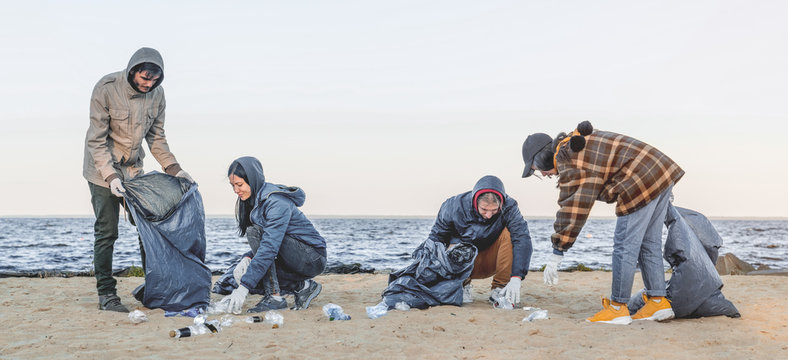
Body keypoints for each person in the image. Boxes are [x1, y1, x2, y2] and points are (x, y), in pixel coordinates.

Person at [521, 121, 683, 324]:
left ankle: (618, 308)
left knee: (624, 246)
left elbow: (573, 208)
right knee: (648, 243)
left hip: (639, 178)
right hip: (659, 170)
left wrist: (557, 251)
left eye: (538, 170)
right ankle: (658, 302)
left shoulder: (570, 158)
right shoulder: (574, 144)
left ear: (542, 157)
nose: (543, 175)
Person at [83, 47, 193, 312]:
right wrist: (110, 177)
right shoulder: (106, 88)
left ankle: (154, 288)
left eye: (154, 81)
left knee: (149, 228)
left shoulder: (158, 95)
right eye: (145, 78)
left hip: (133, 171)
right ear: (133, 71)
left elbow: (156, 137)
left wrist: (175, 169)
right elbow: (96, 140)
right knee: (107, 232)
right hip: (101, 171)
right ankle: (107, 295)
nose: (148, 84)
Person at [222, 156, 327, 314]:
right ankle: (304, 287)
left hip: (312, 257)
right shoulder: (254, 202)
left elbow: (270, 246)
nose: (236, 190)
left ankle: (274, 298)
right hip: (289, 255)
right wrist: (247, 258)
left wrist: (243, 288)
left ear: (253, 179)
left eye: (239, 184)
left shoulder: (276, 202)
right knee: (246, 274)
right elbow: (269, 243)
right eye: (233, 186)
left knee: (254, 234)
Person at [428, 175, 533, 306]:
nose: (489, 215)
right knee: (451, 239)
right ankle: (461, 285)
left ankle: (499, 288)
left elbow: (522, 238)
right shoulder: (453, 205)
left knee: (510, 233)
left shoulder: (510, 206)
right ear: (475, 201)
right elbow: (436, 239)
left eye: (494, 210)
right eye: (484, 209)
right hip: (462, 265)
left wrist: (517, 277)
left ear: (501, 203)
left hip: (492, 261)